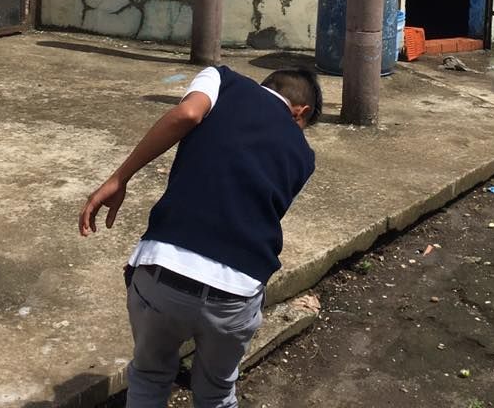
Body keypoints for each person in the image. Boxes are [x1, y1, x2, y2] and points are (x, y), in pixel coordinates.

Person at [78, 64, 322, 408]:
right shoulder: (304, 156)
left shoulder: (223, 79)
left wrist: (120, 178)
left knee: (149, 377)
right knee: (217, 394)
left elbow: (188, 113)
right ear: (301, 112)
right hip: (237, 288)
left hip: (162, 268)